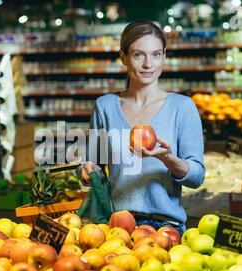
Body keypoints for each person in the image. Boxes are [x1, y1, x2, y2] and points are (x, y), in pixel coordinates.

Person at [79, 21, 205, 235]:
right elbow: (91, 164)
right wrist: (85, 171)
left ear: (164, 55)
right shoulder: (105, 107)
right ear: (123, 58)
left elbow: (197, 177)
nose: (149, 64)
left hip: (166, 228)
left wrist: (168, 159)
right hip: (118, 227)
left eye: (156, 54)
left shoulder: (182, 107)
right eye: (139, 55)